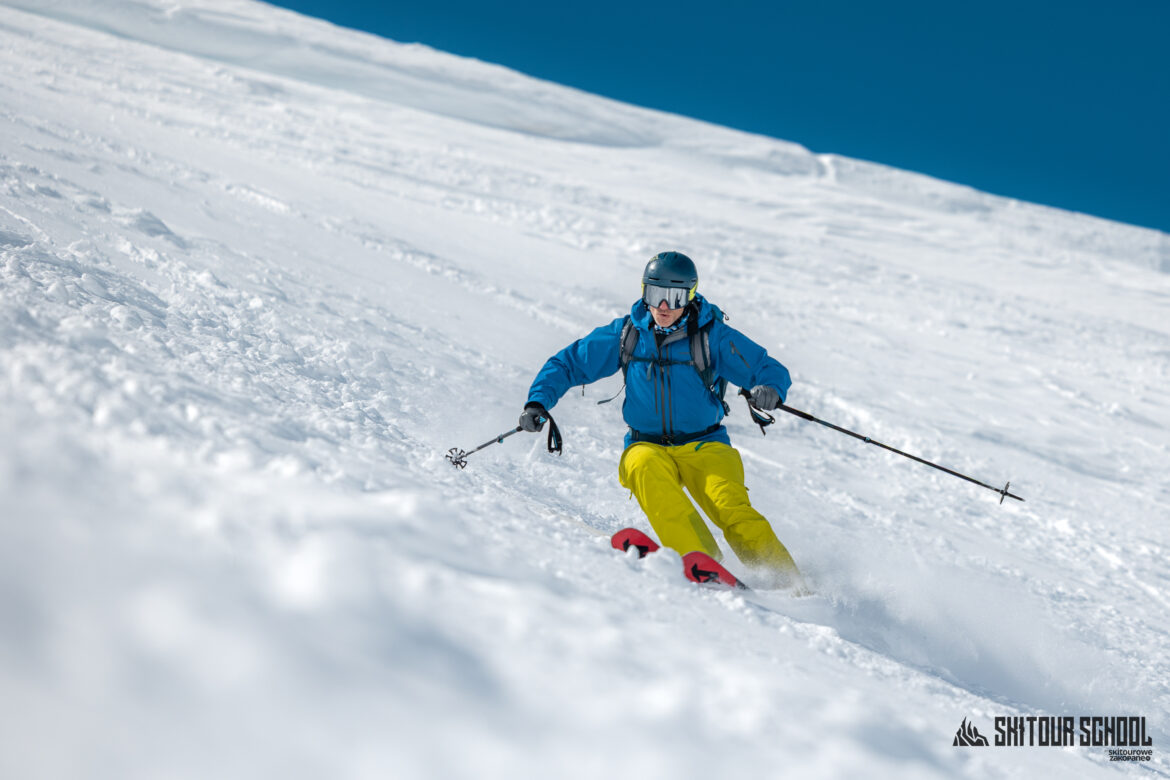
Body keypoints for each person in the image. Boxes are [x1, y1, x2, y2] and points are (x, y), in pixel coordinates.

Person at [520, 251, 803, 588]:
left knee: (731, 509)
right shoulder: (628, 333)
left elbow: (766, 367)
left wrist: (769, 388)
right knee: (643, 469)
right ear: (644, 292)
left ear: (691, 296)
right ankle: (705, 565)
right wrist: (538, 400)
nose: (664, 306)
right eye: (655, 295)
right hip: (647, 444)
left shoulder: (712, 337)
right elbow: (569, 363)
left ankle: (790, 585)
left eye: (675, 297)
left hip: (706, 444)